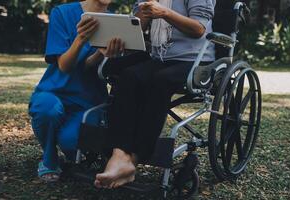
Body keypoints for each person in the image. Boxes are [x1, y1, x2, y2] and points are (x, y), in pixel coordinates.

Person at [94, 0, 216, 189]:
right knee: (128, 76)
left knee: (161, 80)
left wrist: (165, 13)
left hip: (194, 60)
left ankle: (133, 160)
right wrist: (141, 17)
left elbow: (199, 29)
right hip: (159, 57)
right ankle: (118, 156)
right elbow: (137, 29)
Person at [28, 0, 124, 182]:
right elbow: (65, 65)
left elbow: (86, 65)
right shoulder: (62, 13)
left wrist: (101, 54)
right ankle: (49, 158)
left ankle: (64, 141)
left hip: (88, 98)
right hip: (54, 90)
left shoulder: (116, 23)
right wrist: (80, 39)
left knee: (71, 142)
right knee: (46, 109)